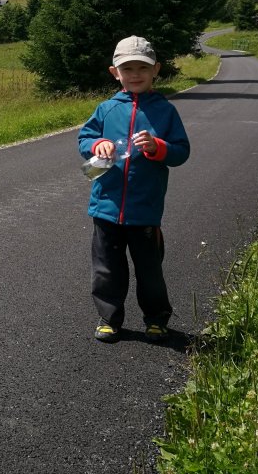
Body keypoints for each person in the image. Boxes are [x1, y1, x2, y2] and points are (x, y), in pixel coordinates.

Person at [78, 35, 190, 343]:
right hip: (105, 207)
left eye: (143, 67)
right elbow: (85, 138)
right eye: (127, 69)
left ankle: (156, 318)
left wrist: (158, 147)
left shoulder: (165, 111)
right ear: (115, 73)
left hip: (145, 210)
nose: (135, 74)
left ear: (156, 70)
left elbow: (181, 151)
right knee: (106, 269)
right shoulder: (106, 109)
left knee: (149, 270)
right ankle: (109, 318)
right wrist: (97, 144)